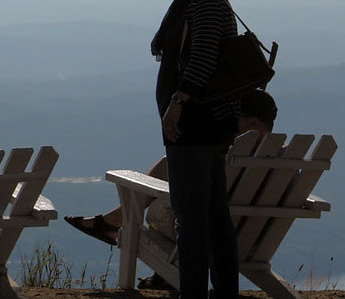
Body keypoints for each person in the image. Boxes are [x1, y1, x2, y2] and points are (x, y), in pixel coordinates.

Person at [142, 0, 241, 299]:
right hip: (213, 124)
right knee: (214, 215)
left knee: (192, 215)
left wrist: (177, 105)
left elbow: (200, 59)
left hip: (196, 124)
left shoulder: (203, 4)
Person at [65, 88, 277, 256]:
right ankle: (115, 224)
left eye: (237, 118)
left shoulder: (236, 157)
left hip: (211, 235)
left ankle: (113, 221)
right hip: (256, 241)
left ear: (253, 122)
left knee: (163, 192)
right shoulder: (282, 159)